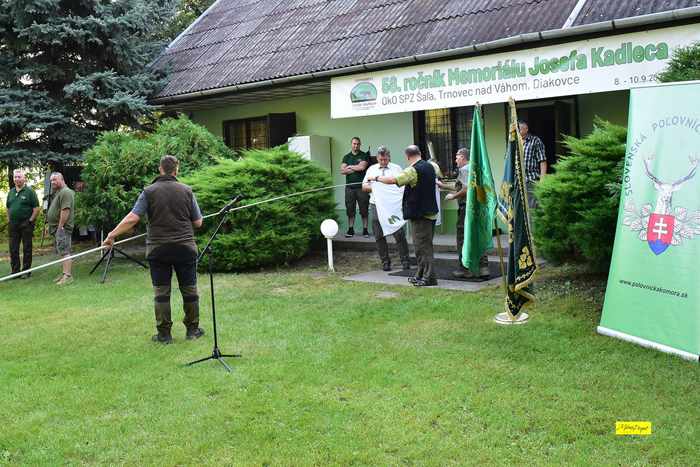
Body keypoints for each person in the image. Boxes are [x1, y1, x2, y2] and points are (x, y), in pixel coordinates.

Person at [103, 155, 205, 344]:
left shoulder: (148, 192)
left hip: (158, 250)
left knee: (161, 292)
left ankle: (164, 335)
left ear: (160, 169)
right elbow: (198, 222)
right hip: (185, 248)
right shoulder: (187, 190)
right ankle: (193, 331)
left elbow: (133, 218)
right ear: (176, 170)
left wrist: (112, 235)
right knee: (189, 289)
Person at [370, 145, 438, 287]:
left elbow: (393, 180)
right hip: (429, 212)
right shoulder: (431, 166)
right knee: (421, 246)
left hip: (421, 215)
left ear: (407, 156)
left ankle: (429, 277)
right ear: (420, 153)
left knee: (423, 247)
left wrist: (375, 177)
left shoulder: (412, 170)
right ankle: (420, 274)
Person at [362, 146, 410, 272]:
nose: (383, 162)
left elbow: (402, 185)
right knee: (378, 235)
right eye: (381, 160)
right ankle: (385, 262)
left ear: (389, 157)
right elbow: (364, 186)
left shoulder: (396, 168)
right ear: (377, 158)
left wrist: (386, 188)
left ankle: (405, 260)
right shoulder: (372, 169)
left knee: (399, 233)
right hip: (376, 205)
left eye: (385, 159)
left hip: (392, 206)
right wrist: (377, 189)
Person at [446, 149, 490, 279]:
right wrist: (442, 185)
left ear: (463, 157)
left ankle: (466, 269)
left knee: (463, 238)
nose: (455, 160)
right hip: (478, 208)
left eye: (457, 157)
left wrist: (453, 196)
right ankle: (483, 268)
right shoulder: (475, 168)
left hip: (466, 208)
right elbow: (460, 186)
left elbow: (466, 189)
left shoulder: (464, 169)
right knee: (478, 236)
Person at [6, 169, 40, 278]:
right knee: (13, 248)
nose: (17, 179)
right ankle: (15, 271)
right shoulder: (11, 192)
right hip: (13, 224)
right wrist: (9, 220)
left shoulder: (30, 192)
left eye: (19, 177)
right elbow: (8, 207)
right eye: (15, 177)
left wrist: (30, 220)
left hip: (26, 224)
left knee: (27, 248)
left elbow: (36, 208)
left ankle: (26, 271)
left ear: (24, 178)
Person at [46, 172, 75, 285]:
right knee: (61, 251)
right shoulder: (59, 192)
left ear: (62, 179)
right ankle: (64, 273)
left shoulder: (65, 192)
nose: (52, 182)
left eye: (55, 179)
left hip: (63, 228)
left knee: (65, 251)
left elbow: (65, 210)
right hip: (57, 228)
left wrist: (60, 227)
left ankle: (67, 276)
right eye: (51, 180)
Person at [341, 136, 370, 238]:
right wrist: (355, 167)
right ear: (351, 144)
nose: (356, 145)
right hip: (349, 188)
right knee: (350, 210)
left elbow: (362, 167)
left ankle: (365, 230)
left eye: (358, 144)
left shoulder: (364, 155)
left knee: (364, 209)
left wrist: (349, 166)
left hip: (362, 187)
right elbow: (342, 171)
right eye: (354, 144)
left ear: (360, 144)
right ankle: (350, 229)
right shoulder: (346, 157)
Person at [518, 120, 547, 210]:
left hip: (531, 181)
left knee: (531, 210)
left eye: (519, 129)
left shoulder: (535, 141)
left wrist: (542, 180)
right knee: (518, 210)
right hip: (517, 182)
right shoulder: (515, 142)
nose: (518, 131)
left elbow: (542, 161)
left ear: (526, 129)